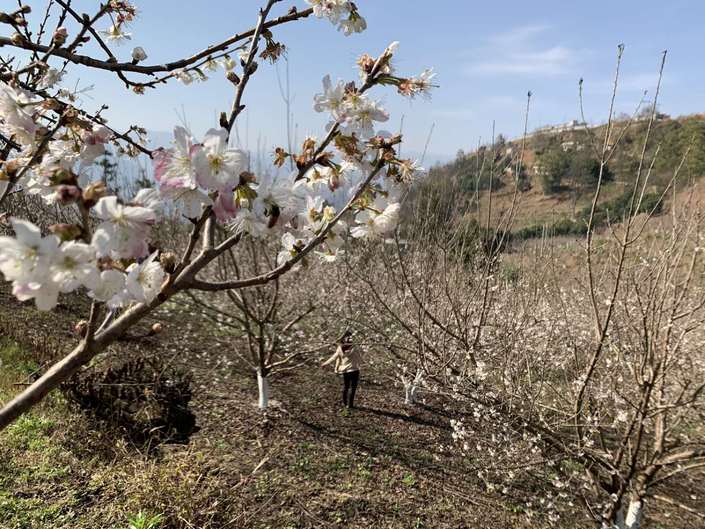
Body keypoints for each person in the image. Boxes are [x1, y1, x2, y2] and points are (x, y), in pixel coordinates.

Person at [322, 330, 361, 409]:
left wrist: (325, 363)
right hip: (354, 370)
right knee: (352, 388)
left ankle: (345, 402)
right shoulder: (355, 347)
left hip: (345, 370)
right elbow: (360, 356)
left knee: (346, 387)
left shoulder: (340, 348)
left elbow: (334, 357)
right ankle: (350, 405)